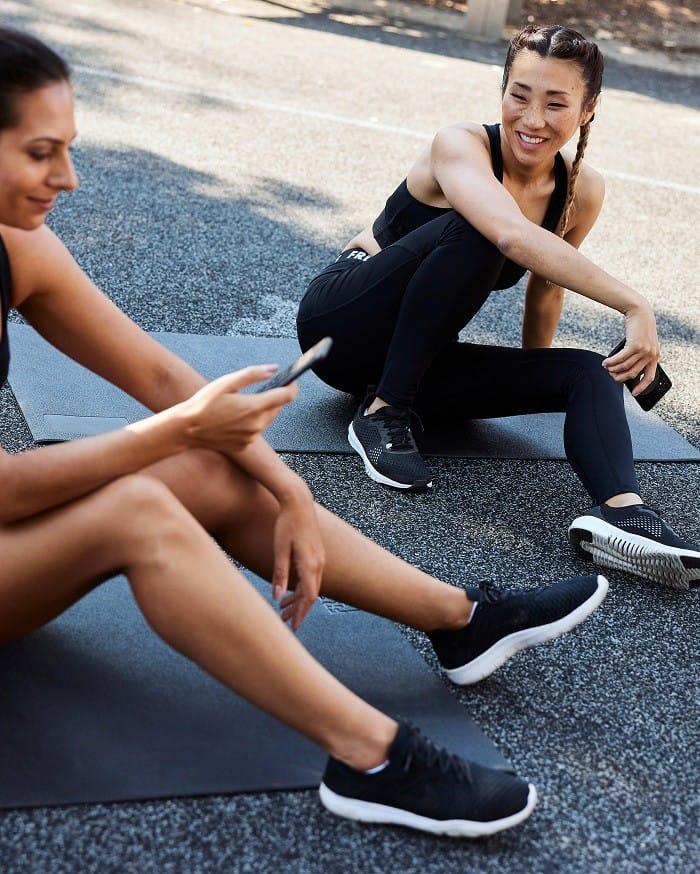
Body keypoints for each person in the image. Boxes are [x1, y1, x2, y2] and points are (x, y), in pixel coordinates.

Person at [0, 26, 610, 838]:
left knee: (213, 474)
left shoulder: (21, 247)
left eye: (70, 149)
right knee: (141, 510)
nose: (68, 178)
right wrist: (178, 431)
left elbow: (160, 376)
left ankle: (462, 619)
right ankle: (374, 756)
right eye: (43, 152)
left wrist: (285, 486)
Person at [296, 24, 700, 592]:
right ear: (503, 92)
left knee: (587, 370)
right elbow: (510, 237)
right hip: (338, 328)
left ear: (587, 111)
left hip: (420, 359)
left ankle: (624, 516)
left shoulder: (582, 191)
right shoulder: (459, 145)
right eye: (520, 95)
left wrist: (538, 376)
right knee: (479, 229)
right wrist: (635, 304)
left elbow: (548, 284)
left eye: (556, 103)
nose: (533, 119)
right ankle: (383, 414)